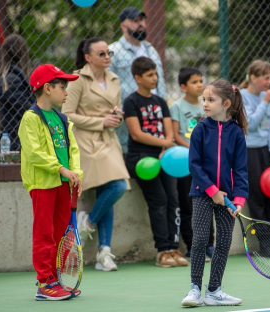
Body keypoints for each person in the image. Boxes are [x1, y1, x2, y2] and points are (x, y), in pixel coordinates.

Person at [62, 38, 129, 271]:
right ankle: (90, 227)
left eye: (108, 52)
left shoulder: (114, 78)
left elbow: (116, 108)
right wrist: (101, 120)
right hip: (86, 142)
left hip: (108, 140)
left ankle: (103, 251)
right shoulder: (77, 79)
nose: (107, 56)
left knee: (111, 186)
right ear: (88, 57)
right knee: (117, 186)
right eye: (101, 53)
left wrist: (116, 115)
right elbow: (67, 114)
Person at [181, 79, 249, 307]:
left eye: (211, 100)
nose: (206, 104)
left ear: (226, 103)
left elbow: (240, 170)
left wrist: (238, 200)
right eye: (204, 100)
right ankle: (194, 290)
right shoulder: (200, 129)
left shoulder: (237, 133)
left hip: (228, 197)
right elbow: (194, 165)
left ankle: (214, 291)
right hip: (202, 194)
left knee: (224, 242)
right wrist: (212, 191)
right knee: (200, 239)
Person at [18, 64, 83, 300]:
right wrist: (61, 169)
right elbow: (34, 152)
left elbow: (72, 149)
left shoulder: (62, 119)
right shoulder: (30, 118)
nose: (66, 93)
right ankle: (45, 283)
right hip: (43, 184)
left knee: (60, 233)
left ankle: (56, 279)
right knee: (44, 233)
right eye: (62, 87)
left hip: (63, 185)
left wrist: (76, 175)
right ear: (47, 88)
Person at [123, 56, 188, 268]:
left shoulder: (160, 102)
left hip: (165, 158)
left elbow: (170, 133)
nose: (155, 78)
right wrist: (163, 144)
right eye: (150, 75)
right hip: (141, 158)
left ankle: (174, 248)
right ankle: (162, 250)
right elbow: (136, 134)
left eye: (155, 74)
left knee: (173, 200)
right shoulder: (131, 102)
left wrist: (164, 147)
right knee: (158, 200)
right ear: (137, 78)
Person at [170, 67, 214, 261]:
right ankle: (191, 246)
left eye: (200, 81)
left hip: (207, 165)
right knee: (188, 206)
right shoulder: (177, 107)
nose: (200, 85)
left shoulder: (207, 106)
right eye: (194, 82)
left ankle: (209, 246)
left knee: (209, 203)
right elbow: (175, 136)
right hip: (186, 164)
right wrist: (194, 151)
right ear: (183, 87)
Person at [108, 7, 166, 153]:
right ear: (123, 26)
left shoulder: (150, 49)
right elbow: (107, 86)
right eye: (134, 21)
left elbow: (161, 83)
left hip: (155, 116)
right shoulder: (112, 51)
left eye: (142, 20)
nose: (140, 24)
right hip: (129, 117)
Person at [239, 60, 270, 225]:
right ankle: (265, 244)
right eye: (266, 78)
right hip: (249, 152)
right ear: (253, 78)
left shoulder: (268, 96)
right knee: (256, 197)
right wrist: (265, 103)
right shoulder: (241, 97)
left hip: (265, 151)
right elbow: (250, 123)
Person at [0, 34, 35, 151]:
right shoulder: (12, 80)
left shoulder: (10, 78)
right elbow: (28, 111)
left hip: (15, 141)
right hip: (17, 143)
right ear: (23, 53)